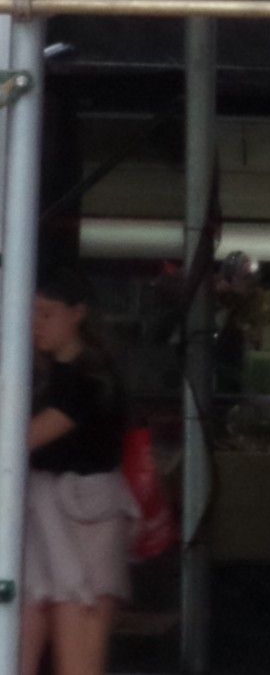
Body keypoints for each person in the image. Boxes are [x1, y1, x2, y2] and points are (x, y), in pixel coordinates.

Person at [22, 266, 136, 675]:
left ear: (78, 313)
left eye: (47, 313)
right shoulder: (35, 375)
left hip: (84, 519)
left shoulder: (90, 380)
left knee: (78, 656)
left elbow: (24, 440)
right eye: (32, 312)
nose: (36, 324)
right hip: (39, 521)